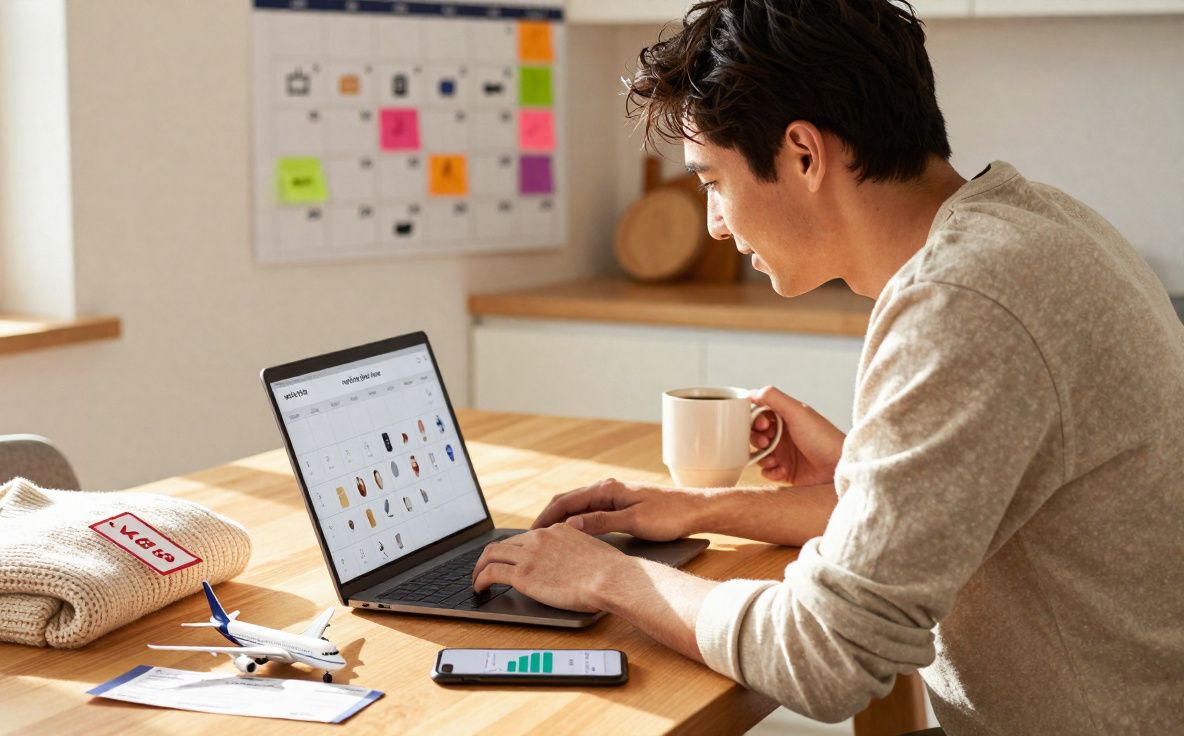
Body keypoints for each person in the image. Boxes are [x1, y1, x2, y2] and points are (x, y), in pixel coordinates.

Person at [471, 1, 1184, 732]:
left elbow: (825, 653)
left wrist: (609, 576)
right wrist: (716, 506)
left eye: (714, 180)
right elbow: (956, 517)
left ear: (803, 154)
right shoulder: (1035, 224)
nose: (715, 222)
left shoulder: (965, 302)